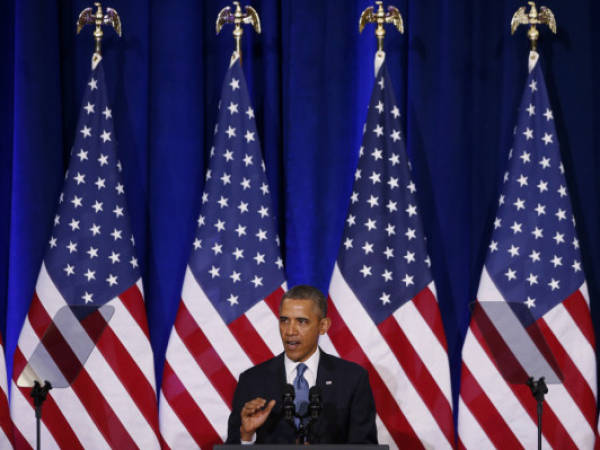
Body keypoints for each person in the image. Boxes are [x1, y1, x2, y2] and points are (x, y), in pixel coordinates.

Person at [226, 285, 378, 444]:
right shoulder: (252, 380)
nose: (290, 331)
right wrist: (246, 436)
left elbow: (364, 445)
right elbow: (232, 445)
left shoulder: (352, 379)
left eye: (301, 321)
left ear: (323, 326)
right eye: (284, 320)